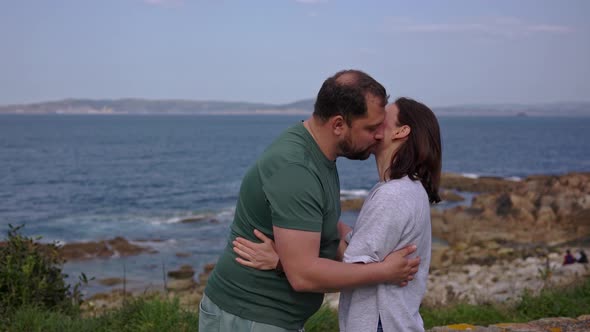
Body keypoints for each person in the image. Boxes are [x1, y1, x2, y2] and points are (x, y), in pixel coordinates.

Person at [199, 70, 421, 332]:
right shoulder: (296, 168)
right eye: (371, 128)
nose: (377, 136)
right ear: (338, 125)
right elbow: (303, 275)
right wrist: (384, 272)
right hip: (249, 317)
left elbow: (325, 225)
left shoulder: (319, 153)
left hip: (272, 317)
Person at [235, 97, 442, 332]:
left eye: (384, 118)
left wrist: (282, 261)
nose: (374, 122)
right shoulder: (406, 188)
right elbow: (362, 251)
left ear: (401, 131)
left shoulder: (392, 194)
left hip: (379, 324)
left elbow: (352, 268)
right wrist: (305, 221)